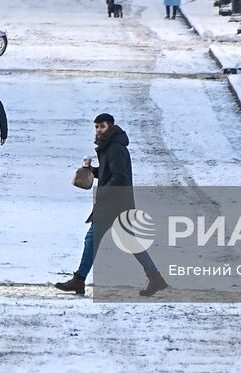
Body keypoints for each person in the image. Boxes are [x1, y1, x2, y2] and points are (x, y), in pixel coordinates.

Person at [55, 113, 168, 298]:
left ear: (110, 127)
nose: (98, 130)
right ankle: (155, 278)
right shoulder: (109, 146)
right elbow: (111, 173)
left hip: (112, 204)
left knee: (92, 239)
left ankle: (79, 279)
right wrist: (94, 171)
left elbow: (119, 177)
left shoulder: (115, 148)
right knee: (129, 242)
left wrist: (104, 192)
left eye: (102, 126)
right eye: (96, 127)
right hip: (118, 203)